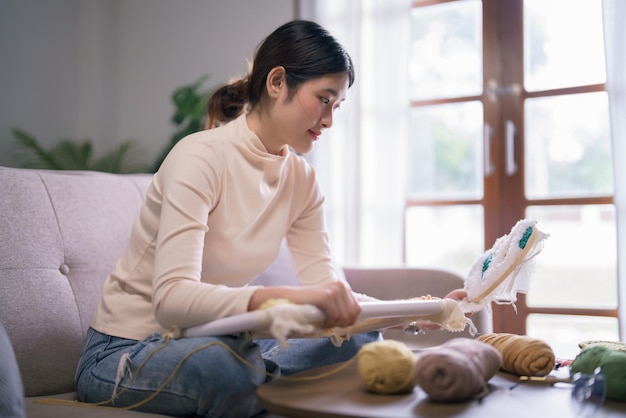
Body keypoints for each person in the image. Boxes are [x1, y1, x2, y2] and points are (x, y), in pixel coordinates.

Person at [76, 20, 467, 418]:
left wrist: (422, 312)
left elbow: (331, 294)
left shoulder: (302, 180)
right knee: (222, 365)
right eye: (324, 99)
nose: (329, 120)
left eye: (337, 106)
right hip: (127, 351)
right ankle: (257, 379)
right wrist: (284, 299)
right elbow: (172, 301)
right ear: (277, 81)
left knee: (356, 340)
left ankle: (256, 379)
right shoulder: (199, 158)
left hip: (222, 341)